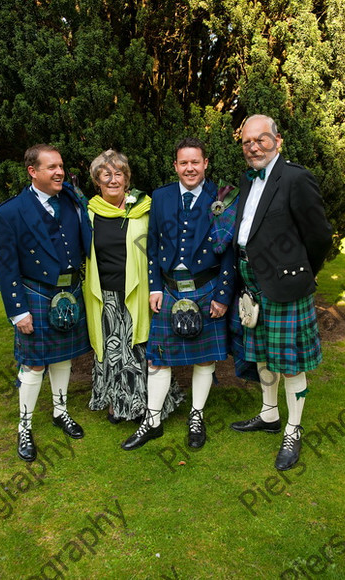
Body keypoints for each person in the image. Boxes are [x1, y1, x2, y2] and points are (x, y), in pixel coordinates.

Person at [230, 115, 333, 470]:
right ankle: (269, 414)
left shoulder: (296, 178)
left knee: (290, 363)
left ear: (278, 140)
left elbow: (319, 236)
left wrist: (304, 274)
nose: (253, 146)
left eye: (261, 139)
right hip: (252, 280)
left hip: (286, 285)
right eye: (247, 141)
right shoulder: (248, 179)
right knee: (261, 354)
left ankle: (293, 429)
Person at [122, 137, 236, 451]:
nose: (189, 168)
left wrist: (223, 295)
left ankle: (196, 416)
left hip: (207, 287)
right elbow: (154, 244)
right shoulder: (161, 196)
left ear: (205, 164)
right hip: (170, 288)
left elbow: (228, 251)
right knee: (157, 360)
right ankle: (153, 420)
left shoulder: (222, 196)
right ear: (175, 166)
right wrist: (155, 286)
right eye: (183, 163)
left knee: (205, 360)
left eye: (195, 162)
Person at [0, 144, 92, 462]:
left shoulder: (72, 200)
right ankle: (25, 426)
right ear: (32, 172)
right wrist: (18, 310)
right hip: (36, 295)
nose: (60, 172)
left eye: (61, 166)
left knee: (64, 360)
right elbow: (6, 265)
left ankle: (60, 412)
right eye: (51, 167)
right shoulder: (9, 212)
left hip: (70, 292)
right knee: (35, 364)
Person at [83, 150, 183, 423]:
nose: (113, 180)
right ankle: (118, 402)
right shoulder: (88, 213)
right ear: (97, 181)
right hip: (105, 295)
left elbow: (160, 247)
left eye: (119, 174)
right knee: (113, 350)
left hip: (140, 292)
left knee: (140, 347)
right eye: (106, 175)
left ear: (127, 179)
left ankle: (150, 404)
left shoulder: (144, 209)